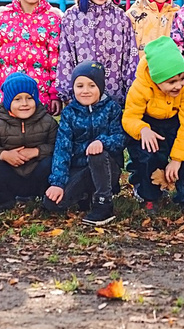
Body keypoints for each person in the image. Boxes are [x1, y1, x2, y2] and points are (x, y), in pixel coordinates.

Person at [122, 36, 184, 210]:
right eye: (171, 82)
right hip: (149, 124)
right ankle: (150, 196)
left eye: (181, 78)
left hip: (175, 122)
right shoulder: (140, 87)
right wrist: (142, 130)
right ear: (156, 79)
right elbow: (129, 117)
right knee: (147, 154)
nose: (178, 85)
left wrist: (177, 159)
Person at [45, 61, 125, 226]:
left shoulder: (112, 109)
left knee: (97, 155)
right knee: (52, 204)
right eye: (80, 86)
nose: (85, 91)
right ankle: (85, 195)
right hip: (80, 166)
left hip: (107, 166)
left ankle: (103, 203)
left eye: (91, 85)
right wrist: (57, 183)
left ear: (100, 87)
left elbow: (121, 138)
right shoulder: (69, 112)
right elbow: (62, 148)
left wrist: (102, 142)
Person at [53, 0, 136, 111]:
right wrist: (67, 92)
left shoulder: (120, 18)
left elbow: (130, 57)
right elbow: (65, 55)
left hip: (114, 96)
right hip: (81, 97)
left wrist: (131, 90)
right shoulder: (71, 18)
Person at [0, 72, 59, 209]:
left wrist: (36, 152)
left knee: (50, 163)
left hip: (37, 175)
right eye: (17, 99)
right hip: (11, 175)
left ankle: (46, 198)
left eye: (29, 98)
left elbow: (59, 147)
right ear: (8, 102)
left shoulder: (48, 122)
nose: (24, 104)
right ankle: (4, 199)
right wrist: (3, 155)